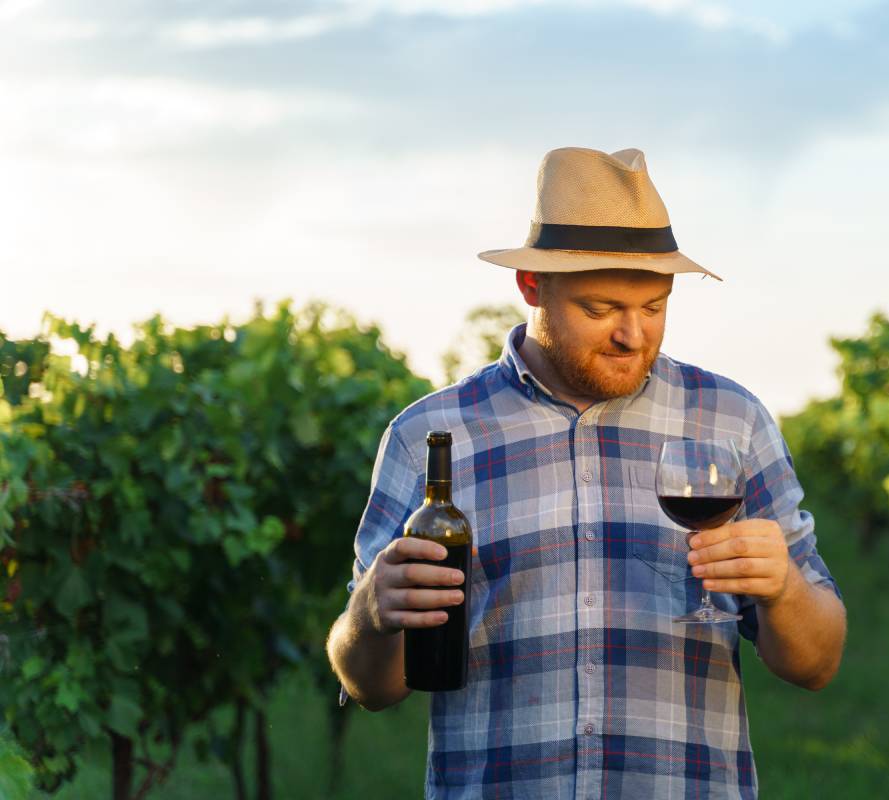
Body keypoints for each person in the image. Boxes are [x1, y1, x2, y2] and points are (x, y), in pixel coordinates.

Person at [326, 146, 847, 798]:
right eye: (601, 309)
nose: (633, 334)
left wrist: (784, 591)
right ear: (531, 287)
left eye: (654, 306)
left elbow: (818, 662)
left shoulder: (730, 421)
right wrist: (370, 612)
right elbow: (368, 685)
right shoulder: (431, 439)